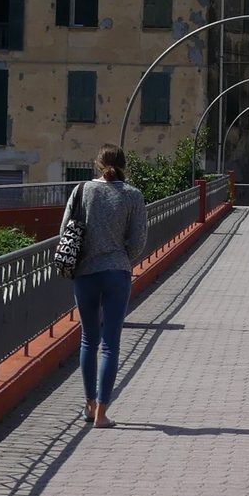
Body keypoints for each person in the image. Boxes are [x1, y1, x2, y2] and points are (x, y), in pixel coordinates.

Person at [67, 143, 148, 428]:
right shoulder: (133, 196)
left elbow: (66, 229)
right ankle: (102, 414)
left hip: (85, 273)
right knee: (111, 344)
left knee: (89, 339)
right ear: (124, 164)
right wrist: (122, 258)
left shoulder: (81, 191)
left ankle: (88, 405)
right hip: (117, 272)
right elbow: (138, 241)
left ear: (97, 163)